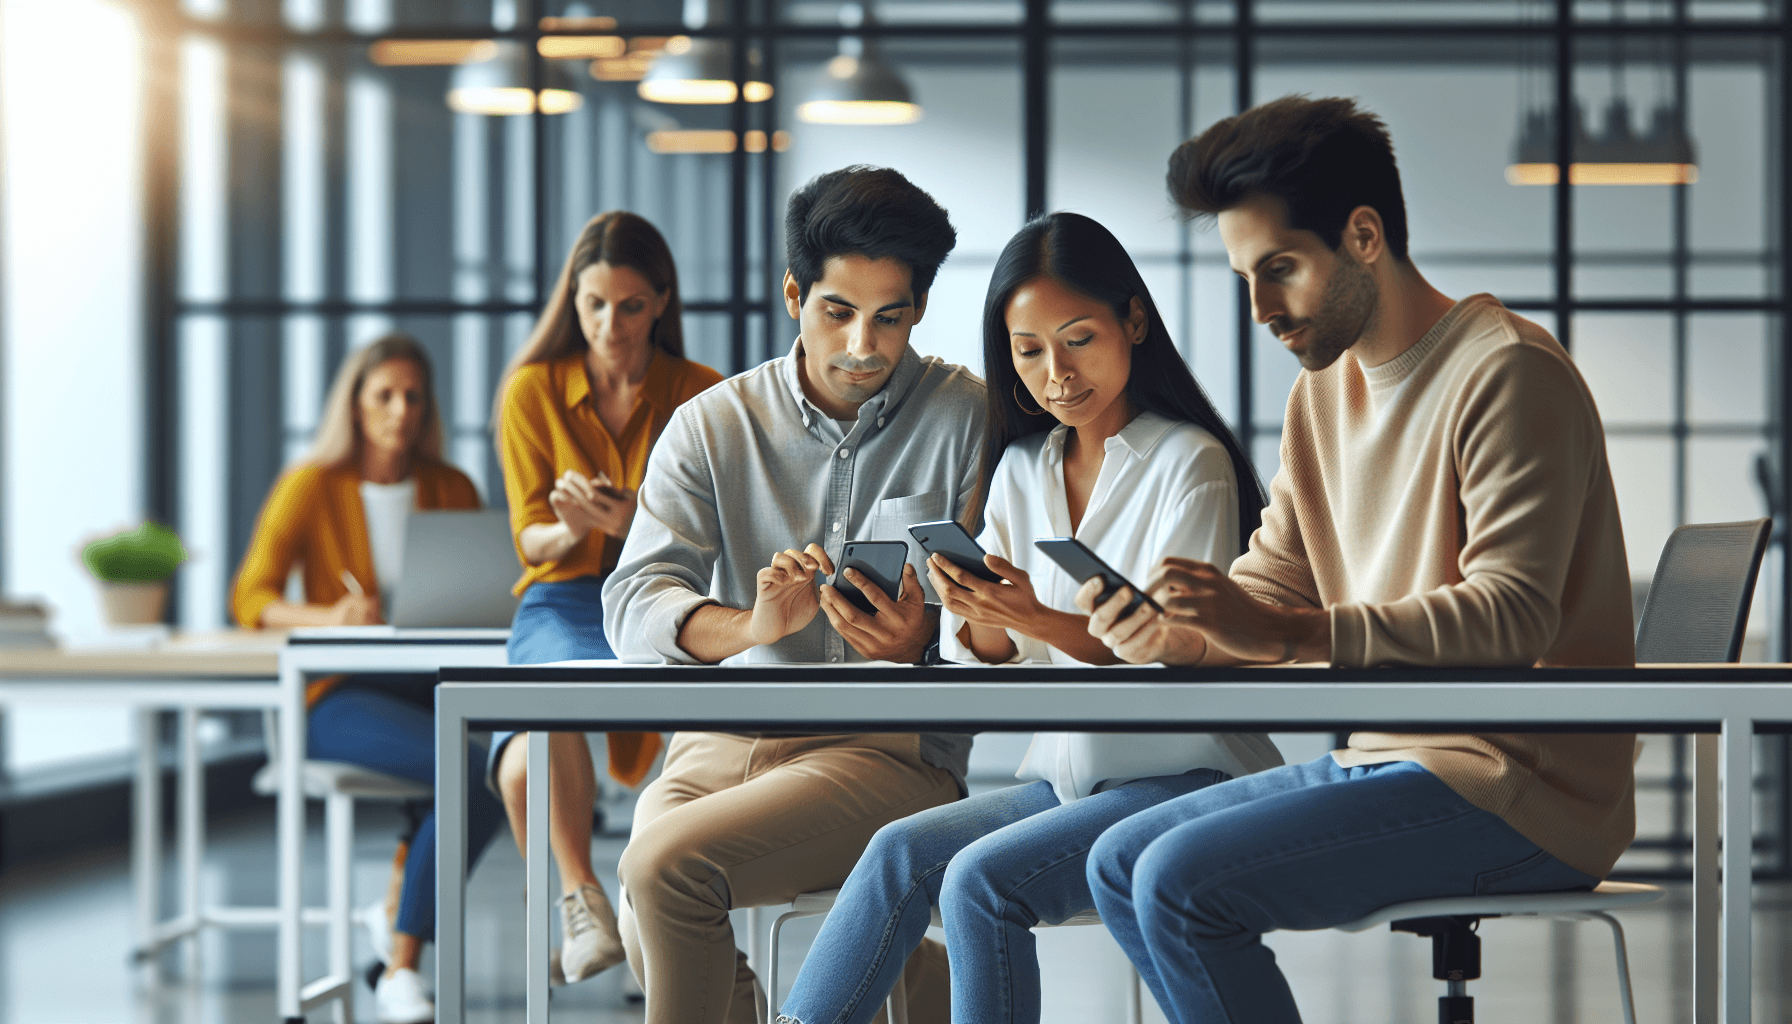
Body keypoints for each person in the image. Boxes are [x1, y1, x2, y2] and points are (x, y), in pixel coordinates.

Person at [1075, 96, 1637, 1024]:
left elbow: (1513, 613)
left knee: (1177, 879)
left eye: (1281, 270)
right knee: (1119, 858)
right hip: (1387, 760)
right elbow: (1274, 584)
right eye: (1246, 277)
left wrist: (1286, 631)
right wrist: (1177, 636)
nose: (1260, 309)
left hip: (1519, 786)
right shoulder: (1320, 393)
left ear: (1365, 235)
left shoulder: (1506, 371)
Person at [776, 212, 1282, 1024]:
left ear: (1135, 321)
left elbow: (1168, 652)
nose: (1057, 374)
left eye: (1078, 339)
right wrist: (976, 609)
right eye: (1029, 351)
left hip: (1187, 777)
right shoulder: (1023, 463)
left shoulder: (1192, 462)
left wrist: (1037, 616)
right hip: (1068, 782)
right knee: (897, 851)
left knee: (981, 883)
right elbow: (992, 665)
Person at [602, 165, 983, 1023]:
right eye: (837, 312)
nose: (862, 346)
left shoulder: (970, 419)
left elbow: (995, 621)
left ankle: (901, 979)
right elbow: (633, 599)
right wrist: (748, 624)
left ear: (918, 307)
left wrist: (924, 645)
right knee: (646, 905)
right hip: (713, 746)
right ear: (793, 294)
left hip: (884, 753)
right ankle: (915, 985)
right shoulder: (711, 422)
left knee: (661, 872)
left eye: (890, 317)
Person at [232, 333, 505, 1024]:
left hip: (425, 683)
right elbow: (250, 597)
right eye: (383, 395)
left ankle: (394, 917)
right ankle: (402, 965)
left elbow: (475, 591)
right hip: (337, 695)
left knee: (494, 765)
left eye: (414, 395)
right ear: (354, 405)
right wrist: (329, 615)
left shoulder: (451, 485)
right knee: (470, 771)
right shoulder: (312, 485)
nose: (400, 410)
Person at [489, 210, 725, 985]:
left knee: (710, 731)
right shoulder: (531, 392)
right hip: (561, 597)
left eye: (629, 305)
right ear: (572, 300)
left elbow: (721, 534)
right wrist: (569, 528)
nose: (609, 324)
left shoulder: (702, 394)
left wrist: (635, 523)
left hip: (666, 590)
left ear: (661, 300)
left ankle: (665, 908)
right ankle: (578, 899)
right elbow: (529, 541)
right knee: (527, 758)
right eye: (593, 304)